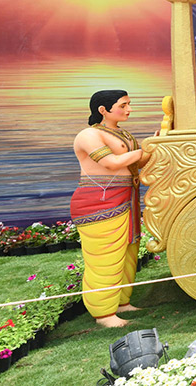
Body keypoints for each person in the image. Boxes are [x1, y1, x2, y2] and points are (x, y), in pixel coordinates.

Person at [71, 90, 144, 328]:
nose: (128, 110)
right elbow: (111, 163)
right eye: (123, 105)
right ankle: (103, 314)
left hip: (126, 199)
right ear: (103, 110)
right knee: (106, 257)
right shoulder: (88, 135)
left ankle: (122, 303)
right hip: (99, 203)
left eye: (129, 104)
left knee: (128, 251)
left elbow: (136, 160)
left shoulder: (122, 133)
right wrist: (145, 150)